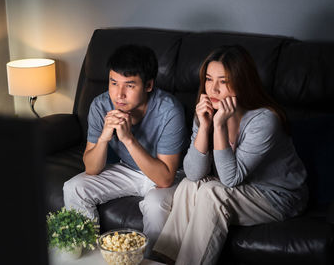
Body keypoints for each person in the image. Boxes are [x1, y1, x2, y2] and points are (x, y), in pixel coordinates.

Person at [153, 45, 309, 265]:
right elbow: (194, 173)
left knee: (211, 193)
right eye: (208, 79)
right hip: (239, 189)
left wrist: (219, 126)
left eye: (223, 81)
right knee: (189, 185)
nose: (213, 89)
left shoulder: (264, 120)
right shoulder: (206, 111)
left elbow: (230, 179)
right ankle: (162, 261)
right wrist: (205, 126)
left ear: (242, 82)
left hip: (278, 196)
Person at [63, 44, 187, 257]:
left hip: (166, 173)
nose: (118, 94)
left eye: (129, 85)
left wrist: (128, 140)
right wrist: (104, 137)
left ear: (148, 85)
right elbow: (91, 169)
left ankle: (151, 261)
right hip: (126, 169)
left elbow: (165, 178)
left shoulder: (169, 110)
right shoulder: (101, 105)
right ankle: (91, 257)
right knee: (74, 187)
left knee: (155, 204)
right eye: (113, 83)